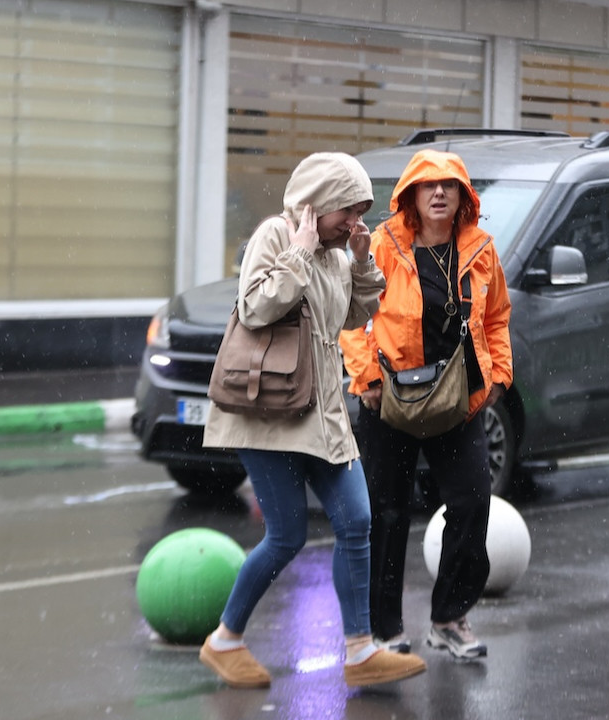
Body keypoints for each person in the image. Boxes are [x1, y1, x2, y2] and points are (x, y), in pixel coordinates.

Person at [199, 152, 427, 689]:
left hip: (324, 413)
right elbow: (256, 308)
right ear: (317, 204)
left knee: (357, 520)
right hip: (273, 413)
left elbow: (352, 316)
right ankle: (225, 639)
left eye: (360, 212)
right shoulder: (277, 236)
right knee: (286, 537)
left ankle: (361, 650)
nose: (354, 222)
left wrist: (362, 263)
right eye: (347, 211)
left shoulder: (337, 254)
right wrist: (299, 253)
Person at [340, 149, 513, 660]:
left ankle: (449, 618)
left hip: (459, 401)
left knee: (471, 504)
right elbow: (352, 315)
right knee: (387, 513)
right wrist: (367, 377)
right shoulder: (382, 244)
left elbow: (497, 317)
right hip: (388, 400)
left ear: (463, 196)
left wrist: (499, 375)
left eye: (449, 185)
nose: (439, 193)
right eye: (428, 185)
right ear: (410, 195)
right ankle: (383, 629)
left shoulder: (481, 250)